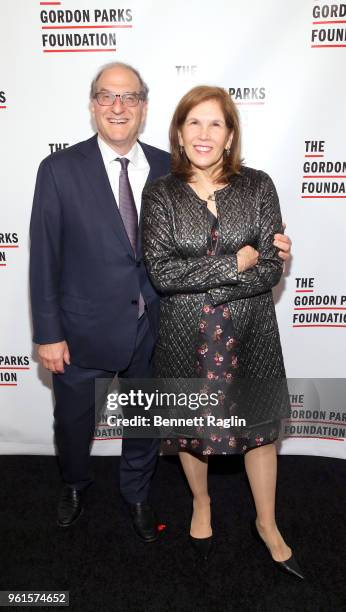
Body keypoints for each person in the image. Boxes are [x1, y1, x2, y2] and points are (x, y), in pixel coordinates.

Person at [29, 64, 291, 542]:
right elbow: (45, 255)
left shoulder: (168, 167)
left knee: (146, 425)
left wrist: (262, 258)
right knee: (71, 422)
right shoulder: (59, 170)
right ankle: (73, 483)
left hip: (157, 326)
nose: (118, 106)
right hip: (83, 327)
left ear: (145, 108)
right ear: (92, 105)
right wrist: (48, 332)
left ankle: (136, 495)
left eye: (129, 97)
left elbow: (226, 249)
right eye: (107, 96)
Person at [142, 85, 304, 579]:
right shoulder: (161, 193)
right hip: (183, 336)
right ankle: (202, 503)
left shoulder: (258, 186)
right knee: (192, 434)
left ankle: (267, 524)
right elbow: (163, 275)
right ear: (179, 132)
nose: (204, 134)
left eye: (215, 124)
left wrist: (212, 287)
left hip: (250, 332)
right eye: (194, 123)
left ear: (230, 135)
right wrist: (235, 261)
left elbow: (270, 269)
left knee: (258, 435)